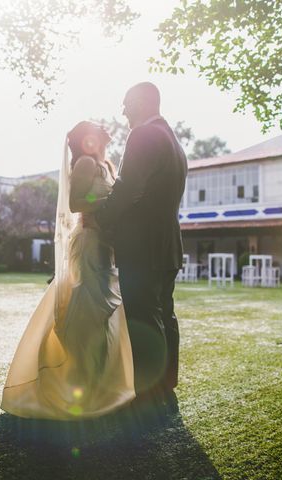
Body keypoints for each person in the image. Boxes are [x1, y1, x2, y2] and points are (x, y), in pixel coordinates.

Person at [0, 121, 135, 420]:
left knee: (103, 315)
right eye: (98, 127)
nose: (105, 128)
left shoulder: (107, 165)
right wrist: (109, 203)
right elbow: (76, 202)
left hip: (106, 245)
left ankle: (99, 381)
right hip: (88, 243)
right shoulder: (86, 163)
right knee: (90, 310)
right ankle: (76, 380)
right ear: (88, 139)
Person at [95, 82, 187, 412]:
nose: (122, 111)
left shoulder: (144, 135)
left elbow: (128, 185)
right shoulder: (172, 139)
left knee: (143, 318)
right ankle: (166, 383)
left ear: (139, 102)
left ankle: (147, 391)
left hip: (144, 245)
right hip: (167, 243)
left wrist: (102, 218)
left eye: (125, 104)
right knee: (164, 312)